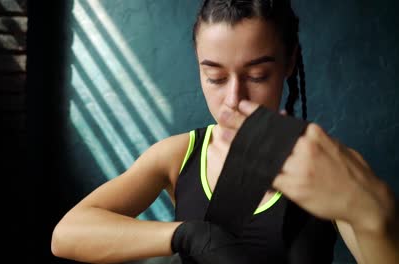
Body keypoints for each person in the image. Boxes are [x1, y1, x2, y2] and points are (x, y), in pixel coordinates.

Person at [51, 0, 399, 263]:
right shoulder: (178, 155)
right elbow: (66, 234)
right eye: (215, 77)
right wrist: (188, 235)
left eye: (257, 76)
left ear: (289, 62)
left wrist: (373, 215)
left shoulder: (329, 166)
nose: (234, 99)